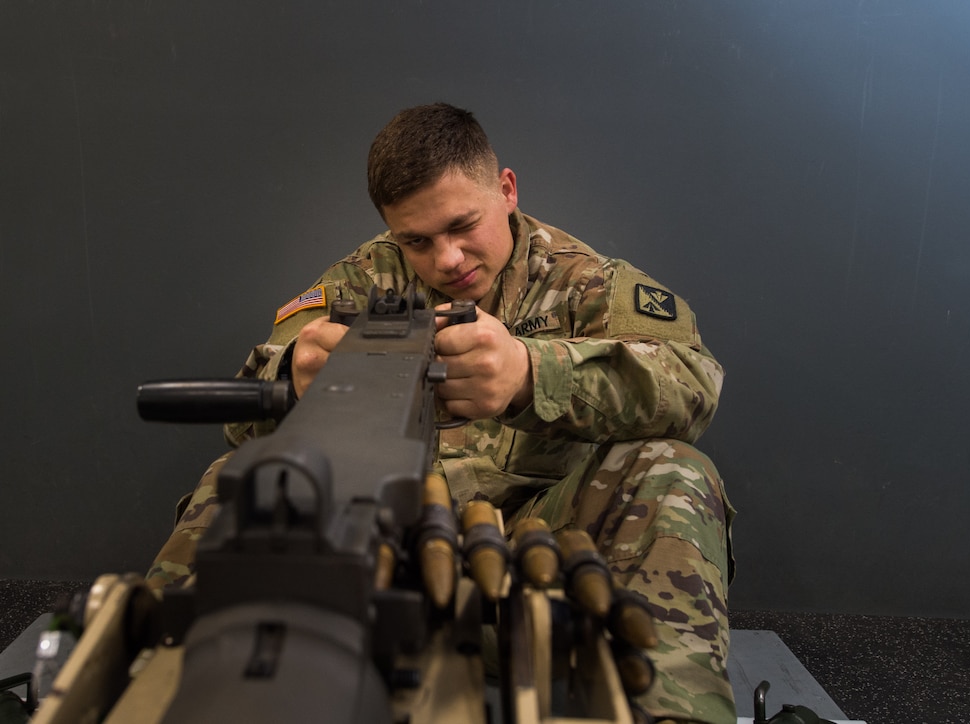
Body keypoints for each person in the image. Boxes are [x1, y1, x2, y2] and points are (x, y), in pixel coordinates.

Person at [147, 103, 736, 723]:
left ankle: (673, 710)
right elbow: (245, 421)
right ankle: (151, 679)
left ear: (506, 191)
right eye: (417, 241)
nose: (447, 259)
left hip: (535, 553)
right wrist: (292, 377)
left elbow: (694, 383)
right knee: (239, 476)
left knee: (674, 471)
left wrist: (532, 375)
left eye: (463, 225)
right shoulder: (360, 281)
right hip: (372, 547)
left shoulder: (584, 282)